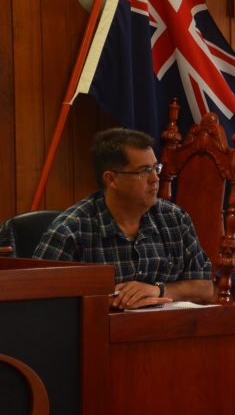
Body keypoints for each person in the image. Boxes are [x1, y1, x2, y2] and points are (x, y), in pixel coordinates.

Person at [34, 128, 214, 309]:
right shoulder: (70, 231)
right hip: (99, 332)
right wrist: (106, 303)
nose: (155, 179)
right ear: (111, 179)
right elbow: (37, 301)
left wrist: (158, 290)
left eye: (155, 168)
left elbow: (205, 288)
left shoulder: (175, 219)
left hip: (166, 331)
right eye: (143, 171)